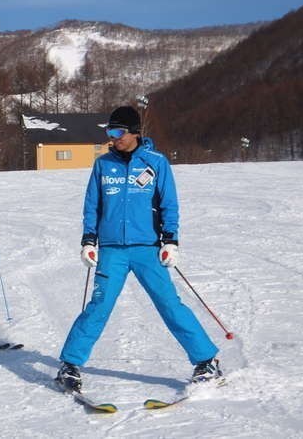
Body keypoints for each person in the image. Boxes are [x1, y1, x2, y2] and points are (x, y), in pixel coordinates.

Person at [57, 106, 221, 391]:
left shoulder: (156, 162)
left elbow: (169, 204)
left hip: (147, 249)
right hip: (112, 250)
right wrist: (88, 240)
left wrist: (171, 240)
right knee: (99, 306)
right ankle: (70, 365)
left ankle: (206, 360)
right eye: (110, 132)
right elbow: (92, 206)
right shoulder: (103, 164)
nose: (113, 137)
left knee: (169, 303)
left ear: (135, 132)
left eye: (118, 132)